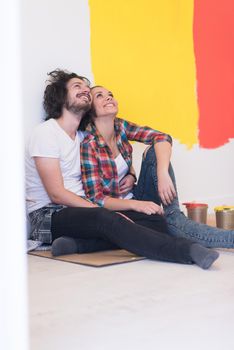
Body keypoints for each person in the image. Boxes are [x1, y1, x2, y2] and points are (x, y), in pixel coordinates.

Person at [25, 69, 220, 270]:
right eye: (77, 87)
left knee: (154, 220)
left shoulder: (83, 136)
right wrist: (107, 212)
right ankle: (186, 250)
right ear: (61, 96)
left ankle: (81, 244)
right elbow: (56, 194)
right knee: (106, 218)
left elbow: (115, 154)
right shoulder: (46, 133)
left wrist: (131, 174)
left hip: (81, 211)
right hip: (48, 217)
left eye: (86, 88)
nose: (85, 90)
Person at [80, 85, 234, 249]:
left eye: (110, 94)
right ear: (90, 110)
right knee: (165, 225)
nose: (108, 97)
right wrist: (136, 205)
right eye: (100, 96)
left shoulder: (120, 127)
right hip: (119, 212)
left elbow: (161, 137)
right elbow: (97, 200)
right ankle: (224, 237)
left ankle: (173, 215)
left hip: (136, 196)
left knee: (154, 152)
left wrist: (161, 173)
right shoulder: (89, 145)